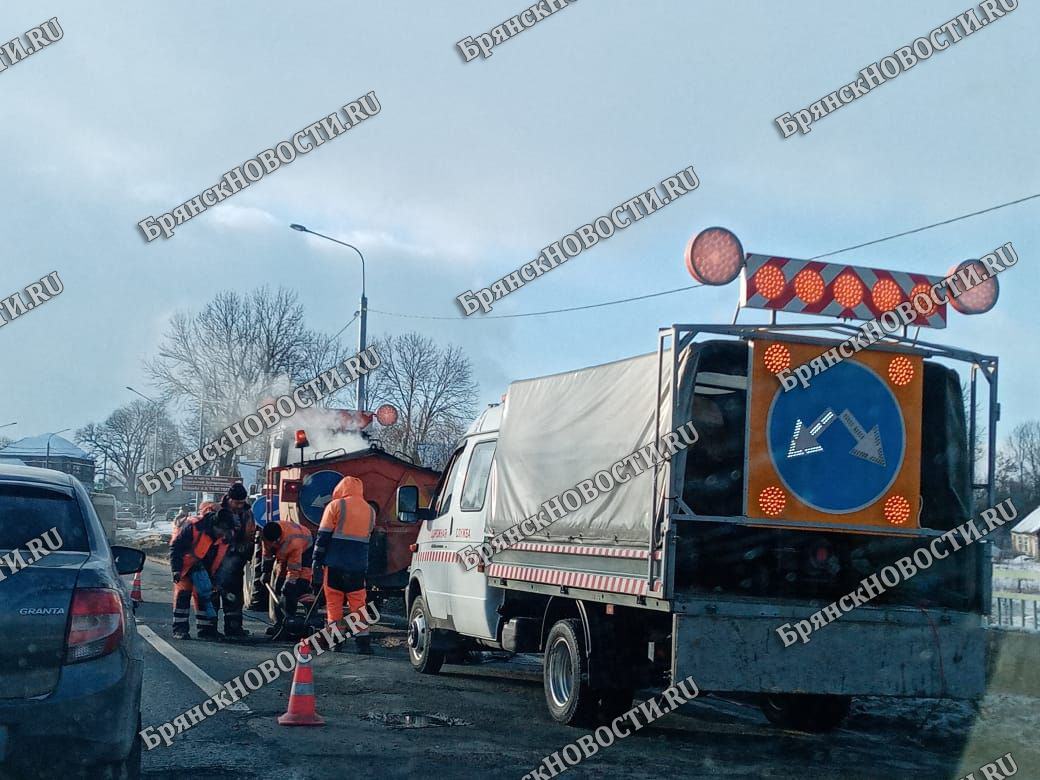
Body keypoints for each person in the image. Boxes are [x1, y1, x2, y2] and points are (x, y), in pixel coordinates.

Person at [313, 476, 375, 654]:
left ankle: (336, 640)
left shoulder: (335, 506)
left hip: (334, 564)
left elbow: (323, 536)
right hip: (357, 565)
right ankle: (363, 642)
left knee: (334, 602)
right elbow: (369, 536)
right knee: (358, 602)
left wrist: (317, 559)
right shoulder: (370, 510)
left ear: (340, 489)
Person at [170, 509, 234, 640]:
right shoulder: (193, 527)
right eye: (222, 530)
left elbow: (222, 560)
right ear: (215, 525)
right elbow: (176, 548)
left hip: (206, 568)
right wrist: (176, 569)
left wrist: (217, 580)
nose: (223, 534)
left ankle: (206, 631)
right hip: (185, 566)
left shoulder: (224, 537)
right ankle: (180, 630)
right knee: (183, 595)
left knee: (205, 596)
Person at [215, 483, 256, 638]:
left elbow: (250, 535)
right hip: (215, 561)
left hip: (235, 562)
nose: (239, 505)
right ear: (229, 499)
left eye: (242, 502)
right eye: (236, 502)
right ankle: (209, 629)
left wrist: (245, 551)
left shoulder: (247, 513)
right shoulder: (218, 510)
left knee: (234, 597)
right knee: (213, 595)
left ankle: (233, 628)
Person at [260, 519, 314, 631]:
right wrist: (266, 571)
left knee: (299, 585)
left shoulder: (294, 542)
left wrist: (289, 584)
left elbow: (294, 568)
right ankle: (280, 623)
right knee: (279, 585)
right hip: (284, 556)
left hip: (305, 551)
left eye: (274, 542)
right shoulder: (267, 535)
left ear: (278, 539)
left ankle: (304, 619)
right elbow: (267, 553)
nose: (272, 545)